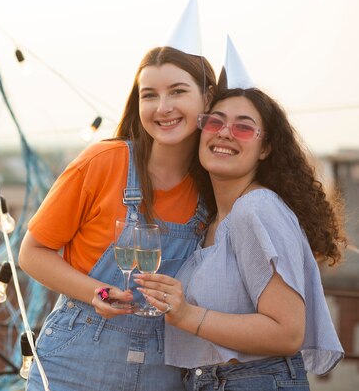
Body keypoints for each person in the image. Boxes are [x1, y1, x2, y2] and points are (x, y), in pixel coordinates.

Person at [18, 24, 217, 390]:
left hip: (165, 365)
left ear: (207, 97)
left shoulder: (213, 186)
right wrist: (97, 292)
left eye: (178, 92)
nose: (163, 107)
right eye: (150, 95)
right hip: (76, 359)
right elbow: (32, 253)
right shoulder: (104, 161)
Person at [134, 73, 346, 389]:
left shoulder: (255, 208)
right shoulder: (212, 220)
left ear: (265, 148)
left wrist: (186, 314)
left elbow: (287, 332)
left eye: (244, 127)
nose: (226, 134)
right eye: (216, 122)